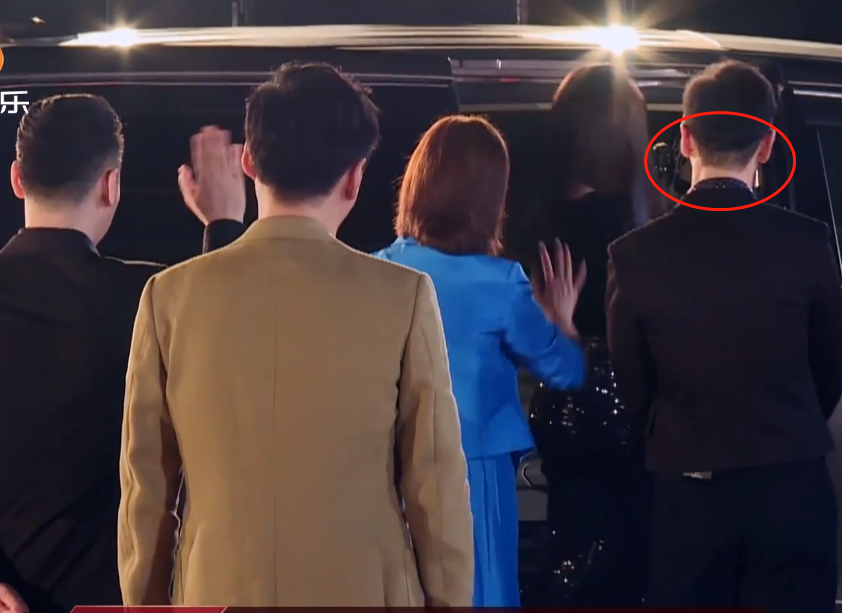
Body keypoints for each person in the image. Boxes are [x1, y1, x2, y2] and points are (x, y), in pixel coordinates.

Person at [117, 62, 474, 607]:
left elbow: (146, 491)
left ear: (249, 161)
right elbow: (435, 483)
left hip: (216, 592)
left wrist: (144, 601)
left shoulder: (168, 297)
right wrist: (448, 600)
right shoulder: (403, 296)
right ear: (355, 176)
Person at [607, 59, 842, 612]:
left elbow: (633, 388)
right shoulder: (809, 243)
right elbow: (830, 367)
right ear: (767, 146)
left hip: (691, 496)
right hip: (793, 487)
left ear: (686, 139)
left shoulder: (635, 255)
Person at [0, 95, 246, 613]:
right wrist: (223, 222)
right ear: (111, 185)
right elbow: (231, 351)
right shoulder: (147, 297)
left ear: (18, 179)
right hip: (116, 596)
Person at [374, 114, 586, 607]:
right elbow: (566, 370)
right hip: (475, 473)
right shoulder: (501, 282)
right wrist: (563, 321)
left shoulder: (379, 269)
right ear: (491, 198)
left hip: (393, 465)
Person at [525, 64, 659, 606]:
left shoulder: (537, 223)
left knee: (574, 559)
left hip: (559, 409)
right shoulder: (645, 229)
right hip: (630, 415)